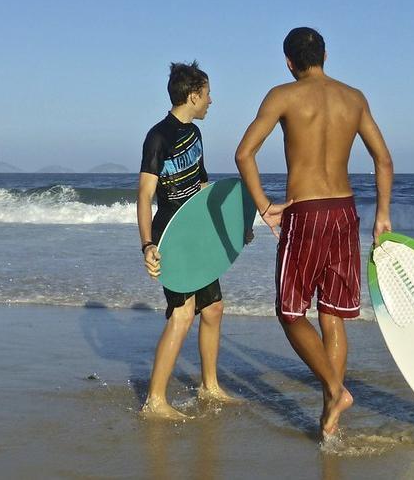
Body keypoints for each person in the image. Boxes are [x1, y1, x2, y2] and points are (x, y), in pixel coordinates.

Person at [235, 27, 394, 438]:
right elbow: (384, 160)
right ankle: (330, 419)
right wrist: (382, 215)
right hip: (344, 212)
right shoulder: (354, 98)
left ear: (289, 62)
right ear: (325, 54)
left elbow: (244, 152)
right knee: (332, 315)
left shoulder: (283, 95)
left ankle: (336, 391)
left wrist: (265, 207)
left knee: (290, 312)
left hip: (306, 214)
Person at [137, 61, 233, 420]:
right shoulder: (158, 136)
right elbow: (145, 194)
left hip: (197, 233)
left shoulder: (195, 134)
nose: (211, 101)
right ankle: (155, 401)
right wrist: (147, 245)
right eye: (207, 94)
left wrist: (231, 226)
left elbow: (204, 188)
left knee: (213, 309)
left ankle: (209, 385)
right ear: (193, 95)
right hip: (171, 234)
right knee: (182, 314)